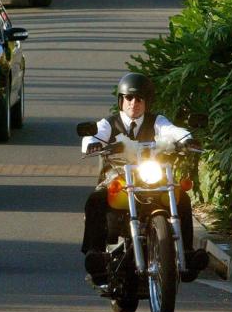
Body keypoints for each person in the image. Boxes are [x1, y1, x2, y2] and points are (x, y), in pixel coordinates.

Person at [80, 73, 209, 284]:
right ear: (121, 100)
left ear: (146, 101)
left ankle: (186, 251)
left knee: (181, 197)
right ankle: (95, 255)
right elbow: (94, 135)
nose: (134, 103)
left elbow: (172, 131)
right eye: (129, 98)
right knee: (96, 199)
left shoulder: (157, 121)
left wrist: (187, 139)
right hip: (120, 177)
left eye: (139, 99)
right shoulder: (109, 123)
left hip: (151, 175)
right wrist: (92, 143)